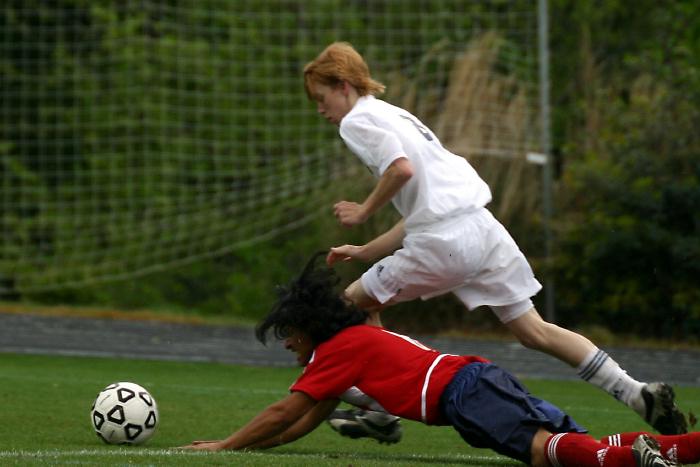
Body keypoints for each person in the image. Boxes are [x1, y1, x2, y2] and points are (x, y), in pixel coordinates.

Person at [301, 41, 687, 439]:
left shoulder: (356, 122)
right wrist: (365, 251)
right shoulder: (393, 113)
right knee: (534, 330)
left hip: (444, 240)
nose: (319, 109)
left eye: (321, 96)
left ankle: (382, 407)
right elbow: (420, 209)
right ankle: (634, 392)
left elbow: (400, 170)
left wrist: (362, 211)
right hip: (482, 228)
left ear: (344, 85)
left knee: (351, 304)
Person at [180, 254, 699, 467]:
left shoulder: (337, 350)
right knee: (578, 446)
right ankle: (688, 449)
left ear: (309, 327)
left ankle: (635, 461)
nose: (289, 345)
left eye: (289, 334)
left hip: (465, 394)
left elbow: (283, 412)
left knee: (547, 454)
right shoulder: (348, 349)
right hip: (474, 384)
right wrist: (252, 451)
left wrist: (223, 446)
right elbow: (302, 422)